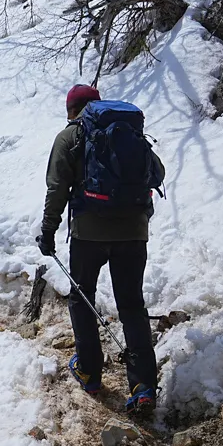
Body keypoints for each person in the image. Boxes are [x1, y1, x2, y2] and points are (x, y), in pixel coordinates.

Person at [36, 84, 164, 415]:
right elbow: (158, 172)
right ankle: (143, 384)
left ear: (71, 109)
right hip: (134, 231)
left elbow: (56, 188)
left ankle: (90, 371)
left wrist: (48, 231)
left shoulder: (69, 138)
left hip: (89, 233)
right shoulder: (127, 131)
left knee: (82, 297)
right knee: (132, 304)